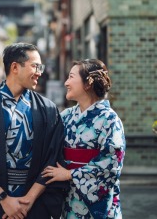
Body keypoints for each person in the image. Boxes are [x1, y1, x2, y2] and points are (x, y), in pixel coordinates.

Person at [0, 43, 68, 219]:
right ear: (15, 67)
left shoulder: (48, 109)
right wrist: (4, 200)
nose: (40, 72)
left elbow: (53, 157)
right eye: (35, 66)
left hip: (34, 203)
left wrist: (28, 200)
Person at [42, 59, 126, 218]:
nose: (66, 82)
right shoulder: (66, 116)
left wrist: (69, 174)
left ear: (88, 83)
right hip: (70, 200)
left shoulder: (109, 120)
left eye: (71, 77)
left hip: (98, 206)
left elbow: (111, 164)